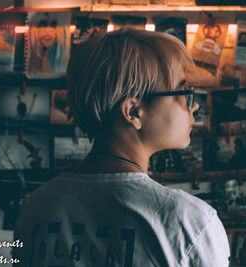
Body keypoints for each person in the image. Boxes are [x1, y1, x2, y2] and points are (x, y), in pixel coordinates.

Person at [15, 29, 230, 266]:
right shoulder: (188, 222)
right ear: (133, 111)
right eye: (183, 92)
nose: (195, 105)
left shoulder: (37, 206)